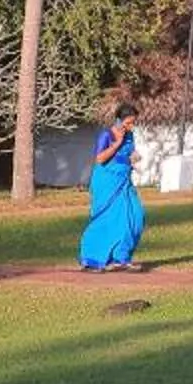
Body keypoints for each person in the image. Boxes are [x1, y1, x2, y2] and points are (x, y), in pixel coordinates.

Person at [79, 104, 145, 272]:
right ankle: (92, 258)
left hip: (124, 180)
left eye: (133, 123)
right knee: (105, 218)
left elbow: (129, 154)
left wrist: (134, 158)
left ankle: (121, 257)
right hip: (107, 181)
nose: (131, 126)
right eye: (128, 123)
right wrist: (116, 144)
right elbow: (100, 159)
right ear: (119, 120)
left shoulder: (130, 135)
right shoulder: (106, 135)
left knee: (135, 215)